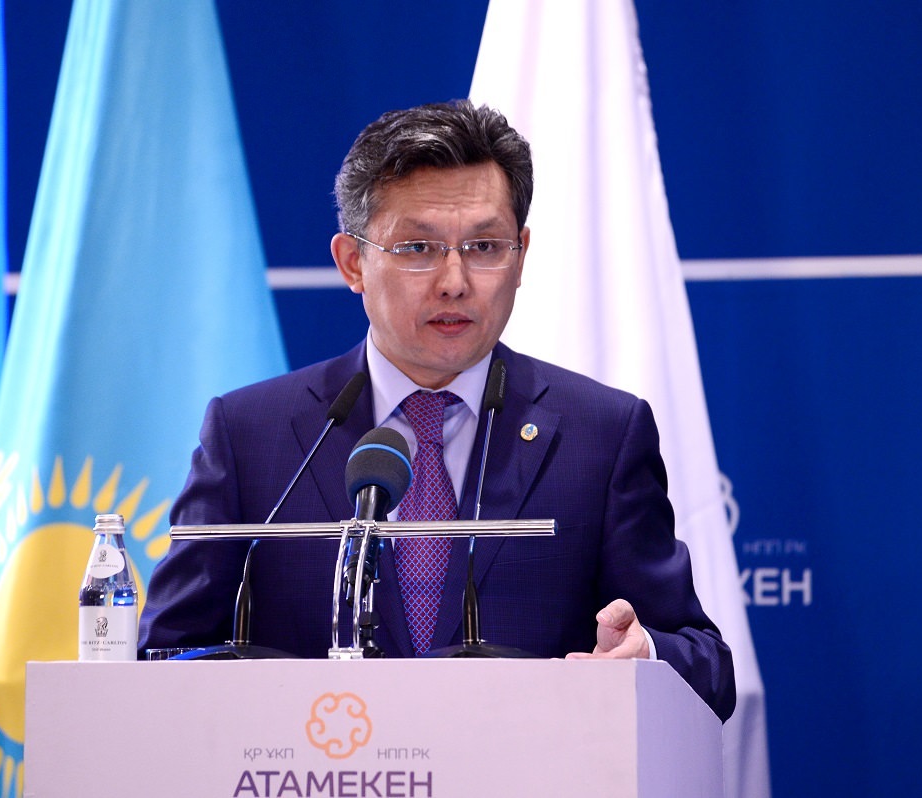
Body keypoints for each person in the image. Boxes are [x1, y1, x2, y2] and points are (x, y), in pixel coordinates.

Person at [139, 100, 735, 723]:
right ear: (352, 262)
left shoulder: (601, 435)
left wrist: (645, 657)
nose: (454, 280)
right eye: (418, 247)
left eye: (484, 246)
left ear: (521, 256)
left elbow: (707, 668)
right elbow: (162, 660)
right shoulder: (251, 435)